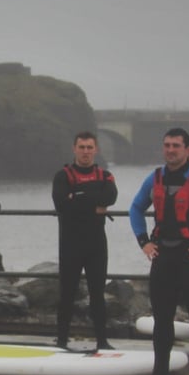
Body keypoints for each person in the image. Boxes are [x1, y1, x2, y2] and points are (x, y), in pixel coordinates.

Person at [129, 127, 189, 375]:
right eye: (167, 145)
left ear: (186, 150)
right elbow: (135, 208)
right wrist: (144, 242)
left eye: (176, 145)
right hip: (164, 255)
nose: (171, 150)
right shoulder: (154, 178)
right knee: (162, 317)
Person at [51, 131, 118, 350]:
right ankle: (62, 340)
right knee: (67, 292)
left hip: (97, 244)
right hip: (70, 244)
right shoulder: (63, 175)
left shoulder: (105, 176)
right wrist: (93, 203)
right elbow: (61, 204)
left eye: (90, 147)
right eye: (82, 147)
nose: (86, 152)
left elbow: (111, 197)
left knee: (97, 293)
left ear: (96, 149)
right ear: (74, 149)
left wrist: (77, 197)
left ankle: (102, 341)